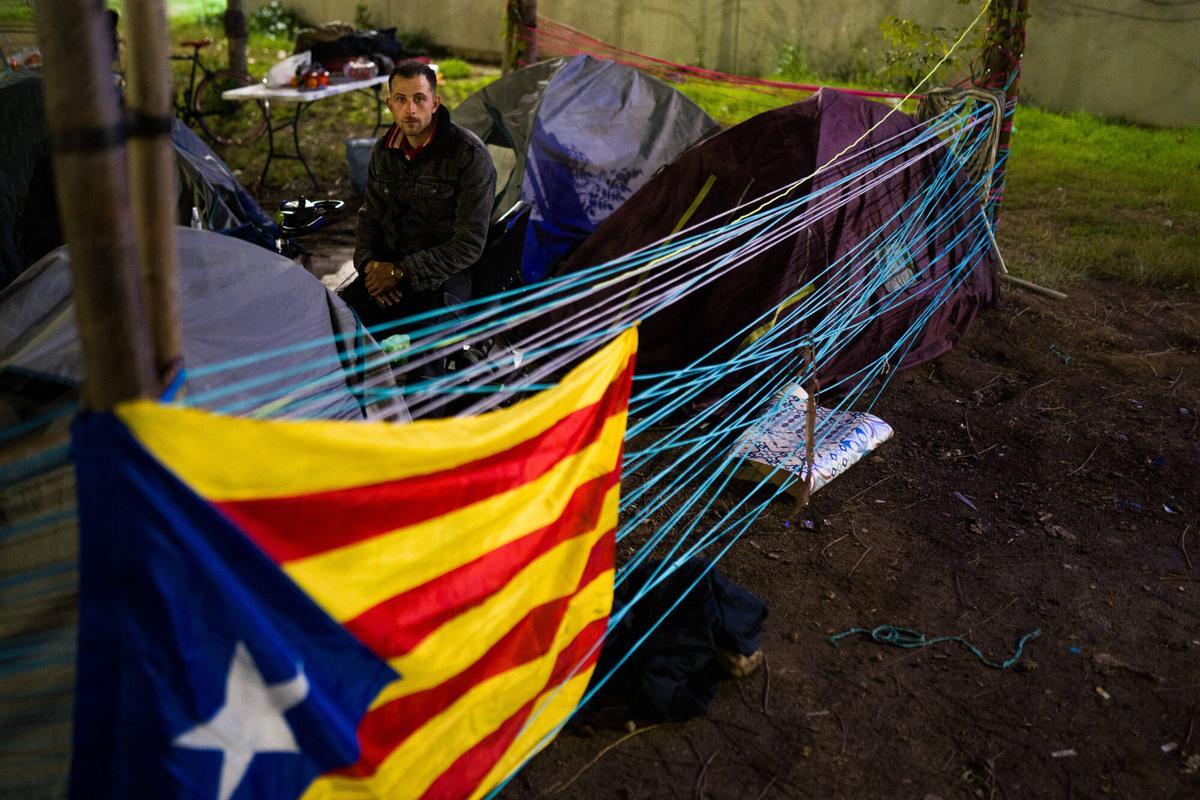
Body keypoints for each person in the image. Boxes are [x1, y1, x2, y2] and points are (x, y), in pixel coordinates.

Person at [345, 60, 496, 328]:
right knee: (335, 324)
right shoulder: (383, 151)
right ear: (390, 104)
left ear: (435, 103)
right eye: (401, 100)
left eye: (419, 99)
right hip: (387, 276)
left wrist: (401, 271)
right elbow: (369, 219)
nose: (410, 110)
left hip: (446, 279)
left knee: (422, 357)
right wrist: (372, 269)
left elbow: (469, 244)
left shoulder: (469, 155)